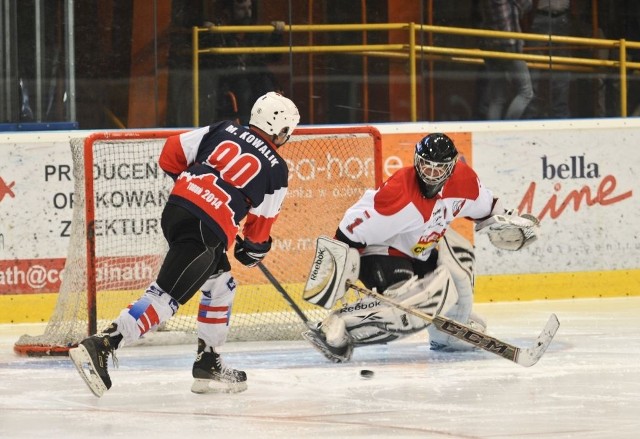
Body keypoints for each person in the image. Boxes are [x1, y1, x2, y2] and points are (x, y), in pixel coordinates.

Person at [69, 92, 300, 397]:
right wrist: (253, 251)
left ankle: (209, 362)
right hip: (206, 232)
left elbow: (171, 152)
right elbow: (258, 233)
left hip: (177, 210)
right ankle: (103, 343)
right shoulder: (277, 170)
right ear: (281, 131)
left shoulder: (224, 129)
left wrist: (196, 189)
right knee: (165, 297)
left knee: (221, 284)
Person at [302, 133, 539, 362]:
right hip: (383, 252)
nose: (431, 174)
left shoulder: (464, 181)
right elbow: (349, 229)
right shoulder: (400, 193)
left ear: (451, 167)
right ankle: (337, 325)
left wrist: (505, 223)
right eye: (426, 166)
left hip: (422, 248)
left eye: (439, 168)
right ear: (417, 161)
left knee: (461, 258)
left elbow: (488, 210)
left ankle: (446, 335)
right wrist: (340, 266)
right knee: (414, 309)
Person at [200, 0, 286, 125]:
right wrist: (208, 33)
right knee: (243, 88)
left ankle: (271, 128)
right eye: (241, 9)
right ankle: (245, 129)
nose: (247, 13)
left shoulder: (255, 34)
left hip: (255, 79)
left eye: (249, 8)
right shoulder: (220, 32)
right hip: (230, 81)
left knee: (267, 86)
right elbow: (211, 61)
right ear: (228, 12)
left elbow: (274, 57)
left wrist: (277, 35)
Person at [478, 0, 534, 119]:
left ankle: (493, 132)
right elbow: (527, 4)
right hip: (509, 45)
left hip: (490, 45)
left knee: (497, 98)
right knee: (526, 92)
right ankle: (508, 127)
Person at [525, 0, 573, 118]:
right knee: (533, 67)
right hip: (541, 15)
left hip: (562, 17)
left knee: (561, 68)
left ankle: (560, 112)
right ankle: (531, 112)